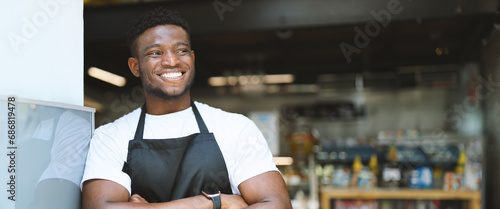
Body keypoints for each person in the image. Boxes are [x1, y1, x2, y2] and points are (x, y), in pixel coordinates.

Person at [81, 7, 292, 209]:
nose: (172, 61)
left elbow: (278, 205)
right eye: (155, 53)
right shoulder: (110, 137)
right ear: (135, 67)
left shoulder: (236, 128)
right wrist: (212, 203)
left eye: (181, 50)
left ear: (192, 58)